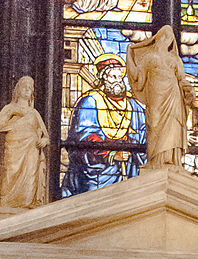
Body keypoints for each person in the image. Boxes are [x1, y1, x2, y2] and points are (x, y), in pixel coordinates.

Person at [62, 54, 146, 195]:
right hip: (96, 174)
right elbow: (83, 140)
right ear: (103, 78)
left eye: (120, 77)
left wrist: (131, 144)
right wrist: (112, 155)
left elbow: (144, 137)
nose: (118, 81)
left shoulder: (133, 106)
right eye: (113, 77)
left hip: (128, 171)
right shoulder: (90, 102)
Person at [126, 25, 195, 170]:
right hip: (155, 97)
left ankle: (171, 159)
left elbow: (181, 79)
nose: (166, 40)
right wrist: (129, 57)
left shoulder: (174, 59)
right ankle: (155, 160)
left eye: (169, 38)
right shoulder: (149, 57)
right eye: (164, 36)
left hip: (173, 95)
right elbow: (138, 78)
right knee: (154, 123)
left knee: (173, 125)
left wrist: (189, 91)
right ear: (158, 38)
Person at [0, 76, 49, 211]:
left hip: (31, 149)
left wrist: (43, 140)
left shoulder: (34, 113)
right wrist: (12, 114)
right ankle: (8, 203)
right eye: (24, 87)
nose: (27, 90)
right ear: (18, 89)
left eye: (30, 88)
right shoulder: (9, 108)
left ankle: (27, 203)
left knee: (30, 176)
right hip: (15, 147)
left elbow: (45, 135)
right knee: (11, 173)